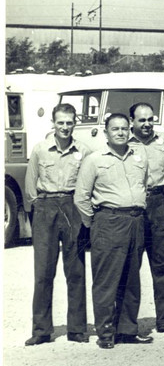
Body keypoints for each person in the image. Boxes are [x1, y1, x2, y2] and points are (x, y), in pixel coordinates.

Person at [75, 113, 152, 349]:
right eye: (115, 129)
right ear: (106, 132)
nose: (120, 132)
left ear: (130, 130)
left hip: (135, 221)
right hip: (108, 222)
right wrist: (95, 223)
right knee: (107, 280)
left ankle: (127, 329)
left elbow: (145, 186)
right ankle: (106, 333)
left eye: (124, 128)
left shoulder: (139, 157)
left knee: (131, 279)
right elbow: (81, 198)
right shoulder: (94, 159)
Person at [24, 102, 90, 346]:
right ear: (53, 123)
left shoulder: (84, 150)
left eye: (69, 122)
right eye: (60, 122)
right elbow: (31, 188)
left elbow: (87, 184)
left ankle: (77, 329)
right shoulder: (40, 150)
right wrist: (39, 212)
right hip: (46, 207)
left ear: (75, 123)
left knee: (76, 270)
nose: (65, 127)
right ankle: (41, 330)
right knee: (43, 272)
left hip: (72, 207)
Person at [128, 102, 164, 334]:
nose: (147, 124)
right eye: (141, 120)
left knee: (163, 264)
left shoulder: (163, 142)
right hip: (134, 207)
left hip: (159, 203)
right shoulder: (124, 143)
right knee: (130, 265)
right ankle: (127, 324)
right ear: (132, 123)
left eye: (150, 119)